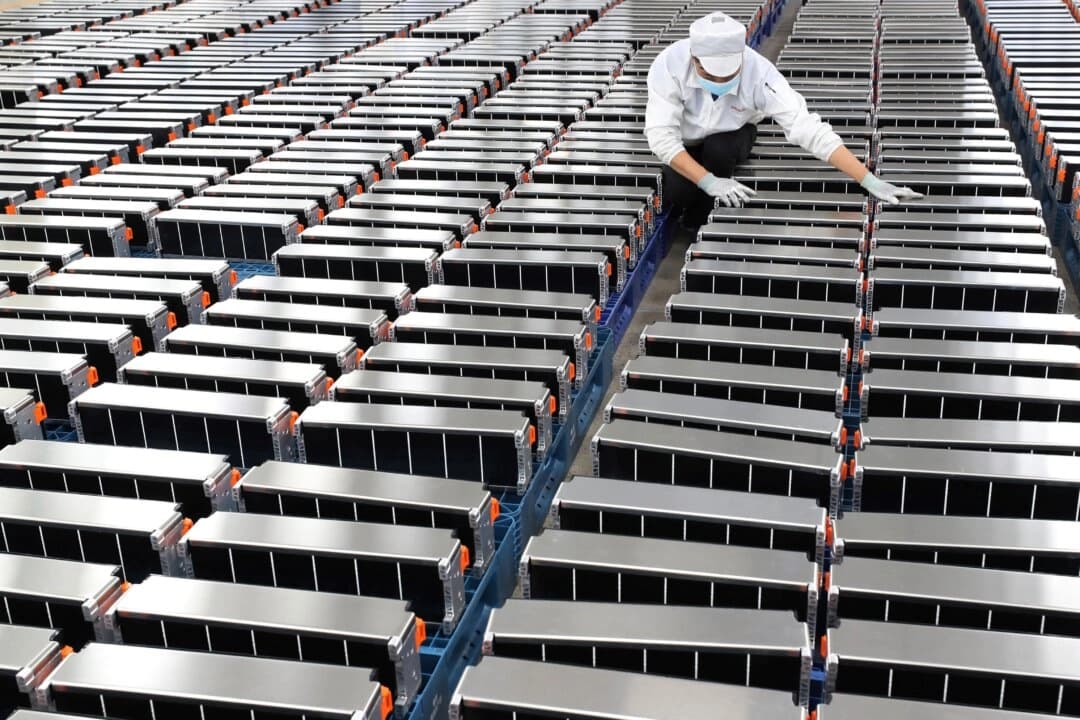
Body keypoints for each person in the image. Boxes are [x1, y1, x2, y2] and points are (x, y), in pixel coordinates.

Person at [645, 11, 922, 226]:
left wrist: (869, 181)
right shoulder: (669, 66)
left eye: (728, 76)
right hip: (685, 137)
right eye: (710, 75)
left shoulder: (760, 75)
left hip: (734, 133)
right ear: (695, 60)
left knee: (720, 152)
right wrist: (707, 181)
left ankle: (704, 222)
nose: (720, 82)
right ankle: (697, 203)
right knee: (678, 192)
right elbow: (661, 137)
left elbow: (807, 127)